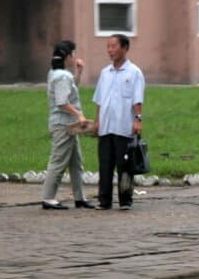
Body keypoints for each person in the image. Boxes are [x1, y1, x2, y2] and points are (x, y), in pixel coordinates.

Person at [92, 34, 145, 211]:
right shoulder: (105, 73)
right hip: (106, 127)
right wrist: (97, 121)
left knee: (125, 166)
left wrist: (138, 120)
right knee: (105, 165)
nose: (110, 50)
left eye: (114, 46)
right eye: (108, 47)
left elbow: (137, 99)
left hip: (124, 126)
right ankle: (104, 200)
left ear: (124, 48)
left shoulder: (134, 72)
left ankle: (125, 200)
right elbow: (99, 100)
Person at [41, 41, 95, 210]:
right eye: (73, 53)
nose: (75, 57)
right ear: (68, 56)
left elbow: (71, 90)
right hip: (64, 125)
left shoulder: (57, 73)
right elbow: (62, 102)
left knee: (76, 163)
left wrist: (79, 72)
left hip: (68, 125)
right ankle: (48, 198)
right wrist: (79, 114)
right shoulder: (61, 76)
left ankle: (80, 198)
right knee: (58, 160)